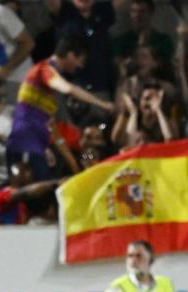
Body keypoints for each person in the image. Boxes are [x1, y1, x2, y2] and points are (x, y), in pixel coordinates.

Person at [6, 33, 115, 181]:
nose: (80, 66)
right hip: (27, 141)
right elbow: (68, 89)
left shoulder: (86, 147)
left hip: (35, 143)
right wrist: (103, 104)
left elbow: (81, 164)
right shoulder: (44, 69)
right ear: (70, 55)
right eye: (80, 60)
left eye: (96, 137)